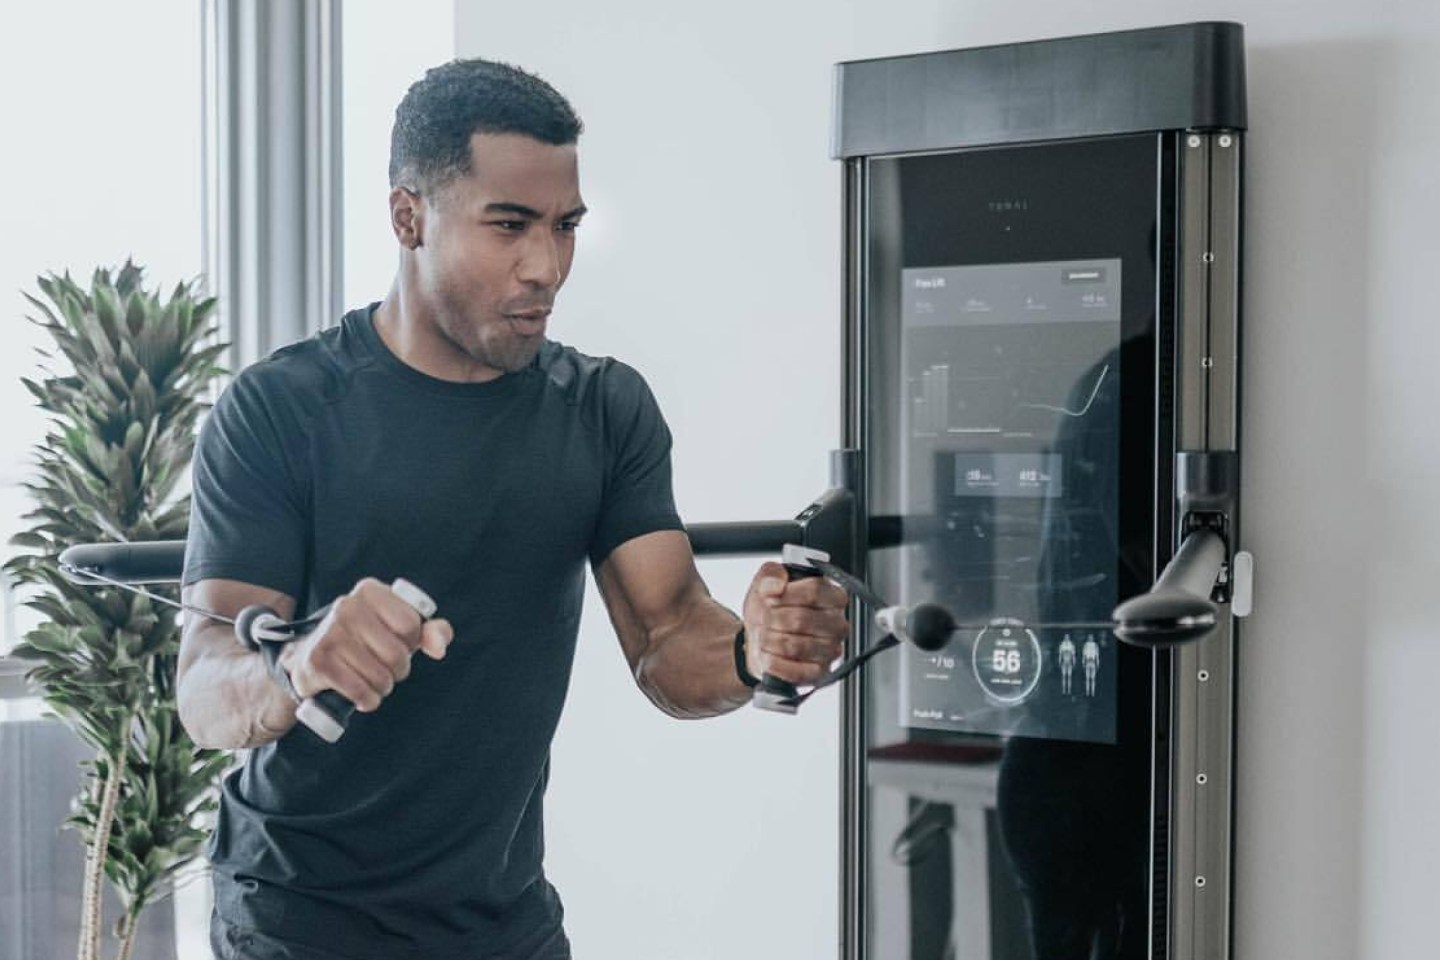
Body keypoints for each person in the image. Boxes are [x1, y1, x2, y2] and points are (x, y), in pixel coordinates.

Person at [176, 58, 849, 960]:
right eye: (509, 227)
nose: (548, 267)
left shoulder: (604, 410)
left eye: (565, 226)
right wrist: (295, 665)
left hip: (503, 922)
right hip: (300, 916)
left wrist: (749, 651)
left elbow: (666, 634)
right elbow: (203, 687)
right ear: (408, 216)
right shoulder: (281, 409)